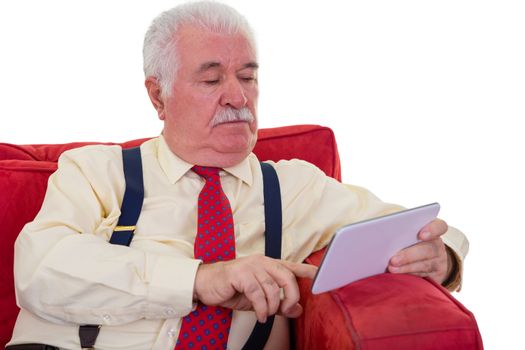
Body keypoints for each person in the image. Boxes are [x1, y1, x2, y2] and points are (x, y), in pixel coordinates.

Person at [7, 1, 468, 349]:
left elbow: (417, 227)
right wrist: (200, 279)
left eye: (247, 77)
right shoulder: (95, 170)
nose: (237, 97)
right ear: (158, 96)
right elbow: (39, 268)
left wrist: (441, 258)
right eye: (211, 80)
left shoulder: (295, 188)